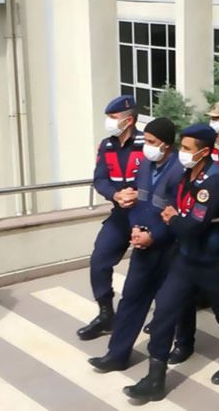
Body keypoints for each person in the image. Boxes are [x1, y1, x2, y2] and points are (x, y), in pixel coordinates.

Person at [123, 124, 219, 401]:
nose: (182, 153)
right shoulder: (188, 173)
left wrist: (173, 219)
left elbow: (193, 226)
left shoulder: (214, 181)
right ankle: (156, 377)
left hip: (216, 262)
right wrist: (175, 218)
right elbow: (182, 216)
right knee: (165, 310)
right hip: (187, 259)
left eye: (188, 149)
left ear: (204, 151)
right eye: (183, 147)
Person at [88, 118, 183, 372]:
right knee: (131, 298)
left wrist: (155, 235)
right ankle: (117, 355)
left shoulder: (179, 170)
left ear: (166, 145)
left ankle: (182, 346)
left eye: (151, 143)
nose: (146, 147)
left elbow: (179, 213)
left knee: (169, 305)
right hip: (143, 244)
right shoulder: (145, 166)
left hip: (169, 248)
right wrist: (136, 228)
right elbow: (138, 202)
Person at [78, 95, 144, 341]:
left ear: (129, 120)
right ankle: (106, 314)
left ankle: (161, 318)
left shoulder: (145, 144)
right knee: (99, 261)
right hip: (120, 213)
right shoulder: (106, 146)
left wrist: (139, 194)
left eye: (114, 118)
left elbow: (161, 177)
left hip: (145, 213)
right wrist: (116, 194)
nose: (109, 122)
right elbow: (100, 179)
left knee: (150, 270)